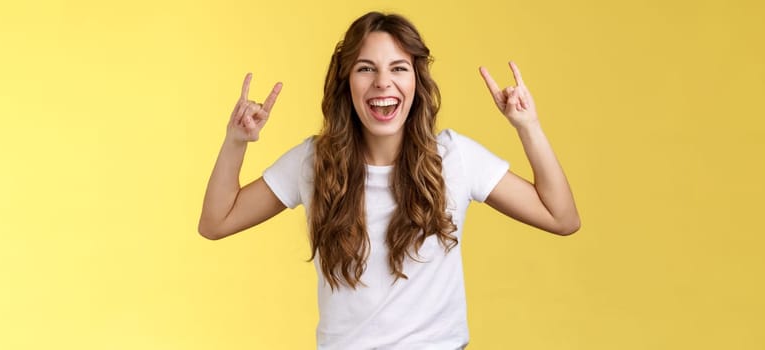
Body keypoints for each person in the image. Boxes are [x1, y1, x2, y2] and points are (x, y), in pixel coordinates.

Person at [198, 11, 580, 350]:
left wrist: (527, 126)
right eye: (366, 68)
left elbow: (561, 218)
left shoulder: (454, 159)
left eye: (398, 68)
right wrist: (236, 141)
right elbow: (216, 222)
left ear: (416, 81)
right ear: (346, 81)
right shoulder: (315, 162)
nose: (383, 82)